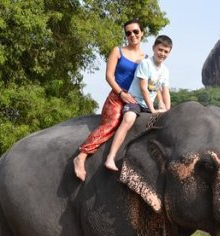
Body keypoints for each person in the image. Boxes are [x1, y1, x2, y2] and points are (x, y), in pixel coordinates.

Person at [73, 19, 146, 181]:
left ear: (142, 33)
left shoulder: (146, 58)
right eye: (128, 33)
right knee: (111, 123)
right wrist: (120, 93)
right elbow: (109, 76)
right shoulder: (118, 51)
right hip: (117, 96)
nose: (132, 35)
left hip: (135, 99)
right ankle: (81, 156)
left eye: (135, 31)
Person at [104, 35, 173, 171]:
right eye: (160, 50)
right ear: (154, 48)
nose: (162, 54)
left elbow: (165, 91)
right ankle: (110, 157)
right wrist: (152, 109)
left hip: (149, 105)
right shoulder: (145, 64)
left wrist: (168, 109)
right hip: (136, 101)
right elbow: (143, 88)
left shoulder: (165, 71)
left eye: (166, 52)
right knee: (129, 119)